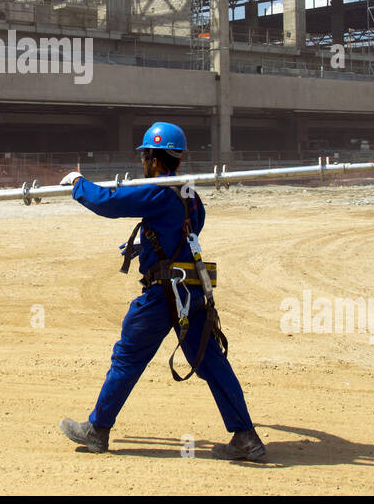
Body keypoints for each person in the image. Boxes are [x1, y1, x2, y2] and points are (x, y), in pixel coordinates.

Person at [57, 121, 266, 461]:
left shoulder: (157, 191)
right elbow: (185, 233)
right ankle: (246, 437)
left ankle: (97, 429)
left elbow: (108, 202)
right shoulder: (191, 197)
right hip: (192, 289)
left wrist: (78, 184)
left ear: (153, 159)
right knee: (210, 361)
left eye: (144, 158)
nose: (143, 164)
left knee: (127, 358)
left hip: (162, 295)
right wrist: (148, 247)